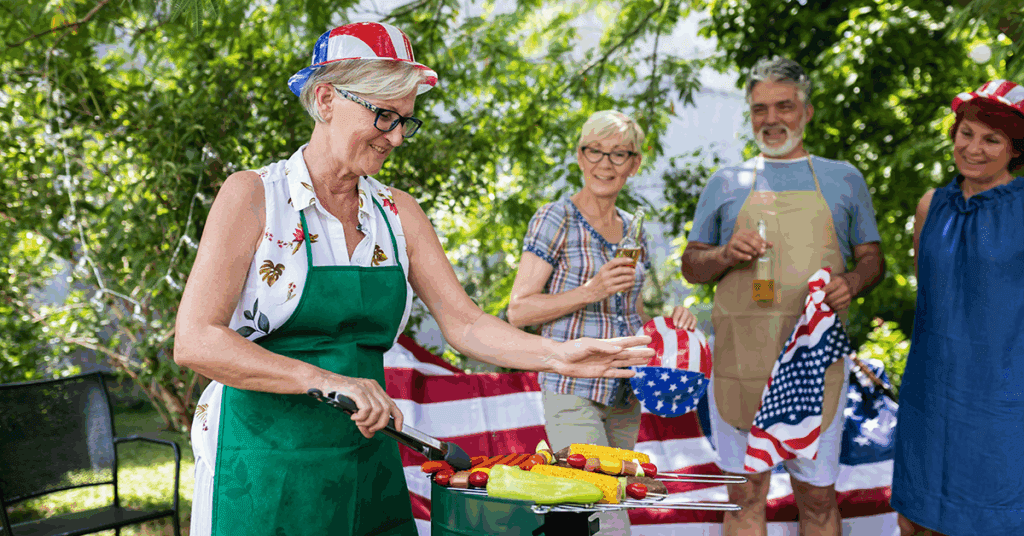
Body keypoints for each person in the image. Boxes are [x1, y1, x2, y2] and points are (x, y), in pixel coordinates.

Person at [173, 23, 653, 536]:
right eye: (383, 115)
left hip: (367, 452)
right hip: (261, 458)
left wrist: (559, 354)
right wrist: (327, 381)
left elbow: (466, 324)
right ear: (326, 98)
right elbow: (197, 340)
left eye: (405, 120)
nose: (396, 136)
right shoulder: (252, 197)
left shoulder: (397, 212)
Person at [680, 56, 884, 536]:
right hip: (738, 364)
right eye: (759, 109)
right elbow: (691, 266)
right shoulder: (726, 182)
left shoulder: (843, 178)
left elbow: (873, 259)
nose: (771, 119)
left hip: (813, 366)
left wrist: (853, 282)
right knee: (744, 499)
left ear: (807, 112)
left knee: (815, 502)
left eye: (784, 107)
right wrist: (727, 253)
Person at [508, 110, 697, 535]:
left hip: (625, 391)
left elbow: (633, 316)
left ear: (635, 164)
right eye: (595, 151)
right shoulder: (555, 218)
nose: (604, 164)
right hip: (572, 386)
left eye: (618, 154)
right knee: (608, 516)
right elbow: (519, 310)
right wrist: (591, 290)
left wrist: (671, 328)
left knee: (595, 511)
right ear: (579, 156)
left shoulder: (634, 229)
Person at [891, 80, 1024, 536]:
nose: (975, 148)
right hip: (931, 387)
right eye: (967, 133)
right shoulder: (931, 206)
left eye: (993, 139)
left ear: (1015, 149)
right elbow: (931, 294)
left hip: (1003, 396)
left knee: (994, 519)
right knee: (917, 520)